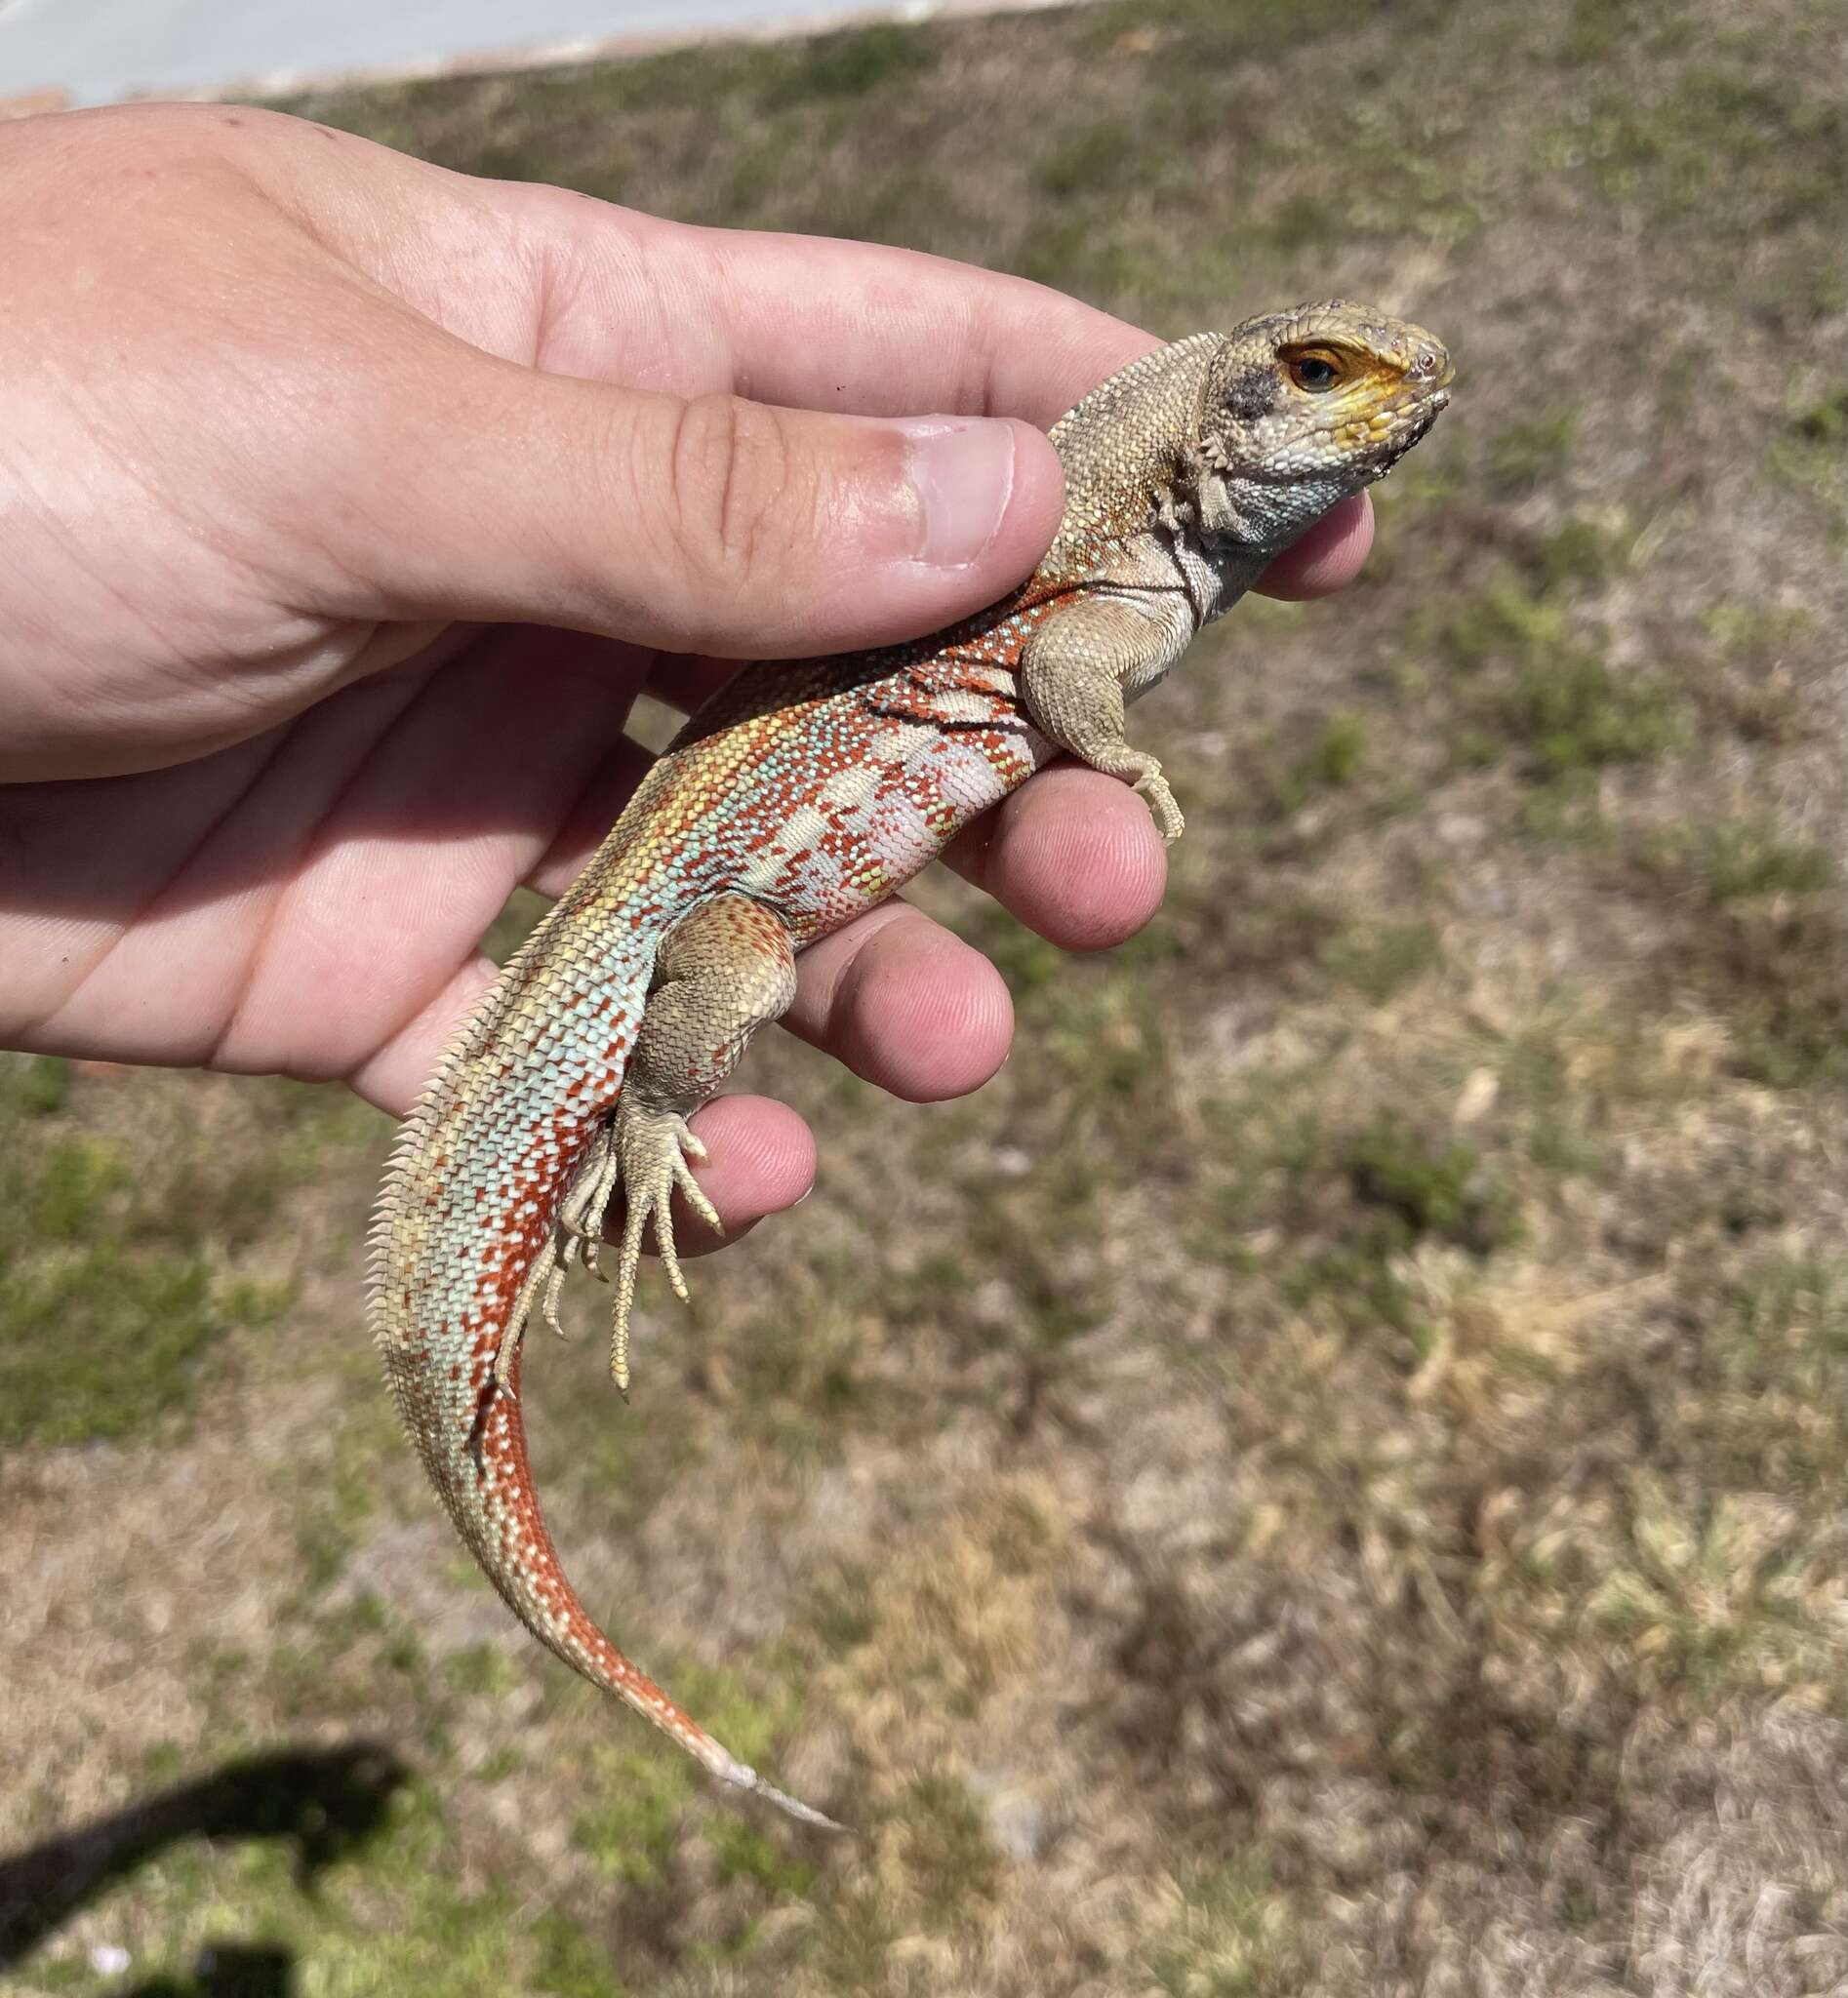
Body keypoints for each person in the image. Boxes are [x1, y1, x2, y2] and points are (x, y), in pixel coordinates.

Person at [0, 102, 1375, 1252]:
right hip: (722, 888)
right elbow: (1071, 669)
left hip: (720, 860)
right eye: (1321, 374)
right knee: (743, 981)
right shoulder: (1099, 589)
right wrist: (1118, 755)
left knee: (825, 980)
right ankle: (650, 1117)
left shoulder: (1108, 560)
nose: (1376, 391)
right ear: (1218, 424)